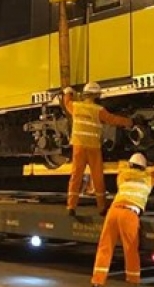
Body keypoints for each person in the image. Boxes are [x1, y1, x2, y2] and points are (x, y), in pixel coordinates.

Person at [90, 153, 154, 287]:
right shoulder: (148, 177)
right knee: (130, 249)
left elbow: (122, 165)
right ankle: (133, 281)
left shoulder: (122, 176)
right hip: (129, 214)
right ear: (144, 167)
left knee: (105, 247)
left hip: (113, 212)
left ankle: (97, 281)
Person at [63, 82, 134, 216]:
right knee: (97, 177)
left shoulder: (76, 106)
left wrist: (68, 92)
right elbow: (113, 120)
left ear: (85, 94)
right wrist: (129, 122)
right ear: (96, 95)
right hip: (93, 148)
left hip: (78, 146)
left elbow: (67, 103)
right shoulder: (99, 110)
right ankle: (101, 207)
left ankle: (71, 206)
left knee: (76, 176)